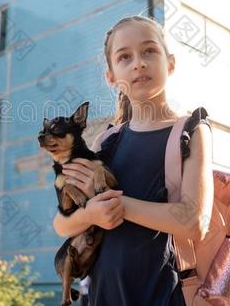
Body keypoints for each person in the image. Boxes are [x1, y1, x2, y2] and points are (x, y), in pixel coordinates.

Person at [52, 15, 214, 306]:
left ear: (171, 63)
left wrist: (117, 205)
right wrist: (90, 214)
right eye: (124, 57)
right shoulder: (107, 141)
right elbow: (61, 224)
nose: (138, 62)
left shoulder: (190, 131)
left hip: (162, 296)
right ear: (111, 77)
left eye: (149, 51)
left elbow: (193, 222)